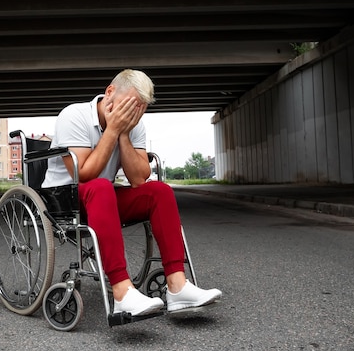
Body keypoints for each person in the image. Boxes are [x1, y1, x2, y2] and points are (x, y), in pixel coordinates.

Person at [42, 69, 222, 316]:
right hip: (64, 199)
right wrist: (113, 130)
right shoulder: (73, 116)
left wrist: (124, 133)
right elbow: (83, 173)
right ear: (110, 92)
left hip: (102, 197)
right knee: (101, 185)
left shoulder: (134, 123)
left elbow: (138, 178)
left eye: (138, 110)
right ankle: (122, 292)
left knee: (159, 191)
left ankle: (177, 286)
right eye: (128, 107)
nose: (132, 115)